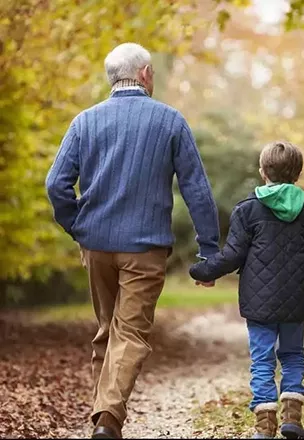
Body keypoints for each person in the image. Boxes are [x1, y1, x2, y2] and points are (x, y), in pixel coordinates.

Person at [45, 42, 220, 439]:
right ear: (143, 74)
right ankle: (107, 419)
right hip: (145, 248)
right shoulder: (170, 121)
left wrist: (79, 226)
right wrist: (208, 250)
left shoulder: (85, 122)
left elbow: (56, 184)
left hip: (96, 246)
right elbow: (196, 189)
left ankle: (103, 420)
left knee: (108, 330)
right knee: (130, 334)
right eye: (153, 72)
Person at [189, 141, 304, 439]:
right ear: (297, 174)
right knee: (292, 355)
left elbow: (233, 254)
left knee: (262, 359)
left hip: (258, 302)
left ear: (263, 172)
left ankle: (265, 425)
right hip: (295, 301)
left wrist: (204, 272)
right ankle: (292, 417)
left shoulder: (247, 211)